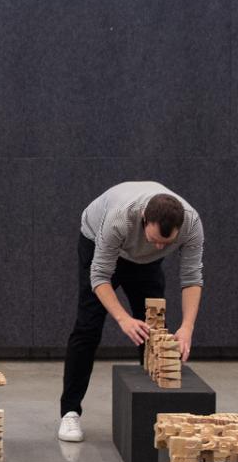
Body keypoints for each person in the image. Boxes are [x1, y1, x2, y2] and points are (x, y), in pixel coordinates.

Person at [58, 181, 204, 442]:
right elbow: (99, 276)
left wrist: (188, 327)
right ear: (144, 218)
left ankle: (154, 412)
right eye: (155, 239)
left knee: (154, 331)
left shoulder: (192, 224)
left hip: (144, 263)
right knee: (88, 327)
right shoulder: (119, 220)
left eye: (166, 243)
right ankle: (70, 412)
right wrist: (123, 318)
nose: (160, 247)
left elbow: (192, 278)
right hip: (97, 241)